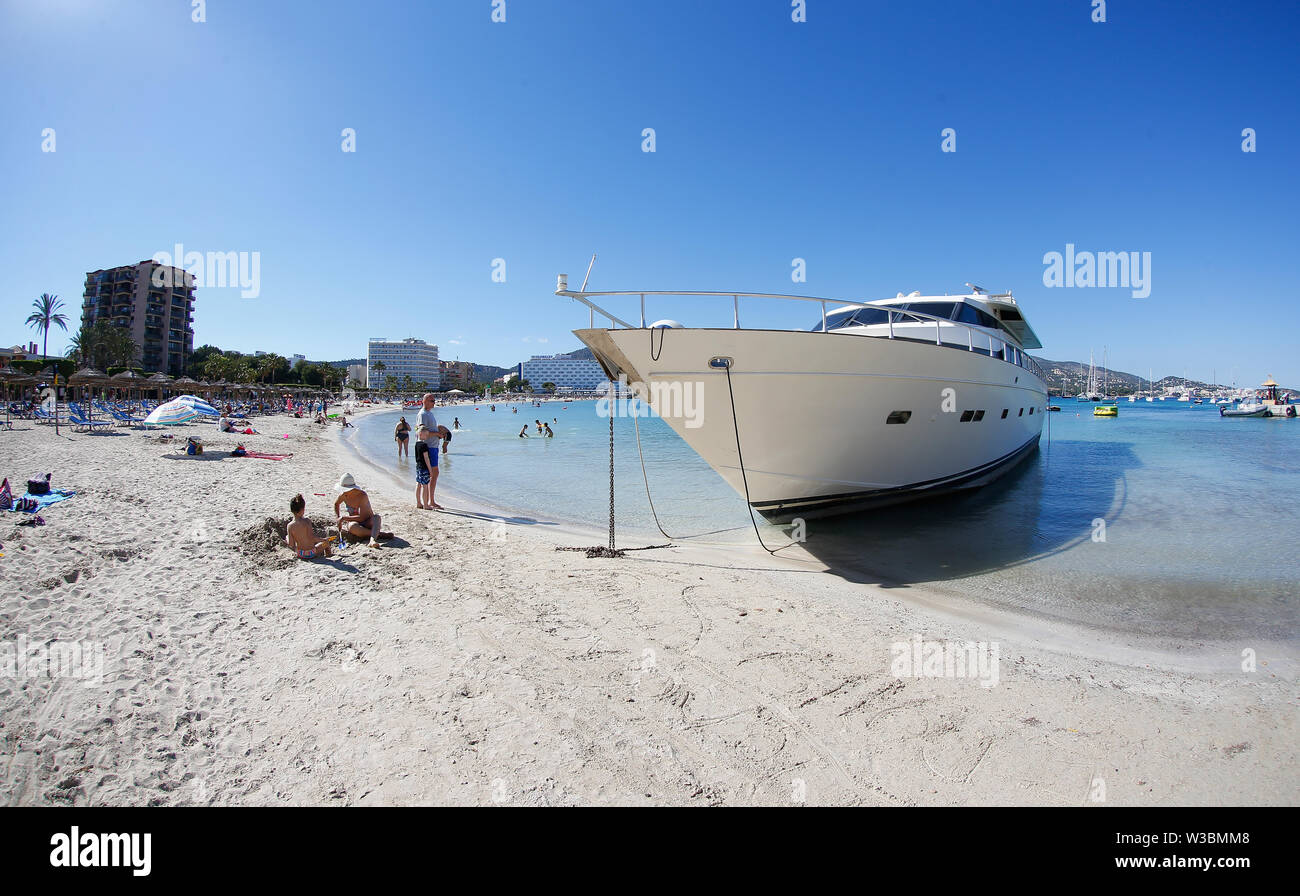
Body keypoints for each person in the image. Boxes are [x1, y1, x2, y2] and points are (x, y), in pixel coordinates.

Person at [333, 473, 384, 547]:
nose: (343, 491)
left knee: (377, 518)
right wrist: (338, 517)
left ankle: (372, 540)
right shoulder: (343, 495)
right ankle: (380, 534)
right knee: (352, 527)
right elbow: (336, 504)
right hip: (355, 524)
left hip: (367, 521)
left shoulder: (362, 496)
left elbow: (362, 517)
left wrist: (343, 518)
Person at [286, 493, 333, 560]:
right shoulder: (306, 522)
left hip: (300, 554)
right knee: (326, 543)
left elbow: (291, 544)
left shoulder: (290, 526)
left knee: (288, 538)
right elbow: (312, 538)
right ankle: (329, 556)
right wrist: (324, 540)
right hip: (312, 553)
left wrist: (287, 538)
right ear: (302, 509)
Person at [414, 426, 434, 508]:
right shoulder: (424, 445)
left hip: (418, 466)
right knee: (425, 486)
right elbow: (426, 458)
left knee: (418, 484)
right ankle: (426, 504)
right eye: (426, 435)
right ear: (420, 434)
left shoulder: (416, 444)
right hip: (424, 468)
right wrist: (430, 470)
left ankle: (419, 503)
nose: (426, 437)